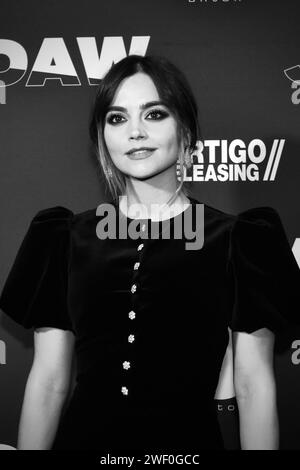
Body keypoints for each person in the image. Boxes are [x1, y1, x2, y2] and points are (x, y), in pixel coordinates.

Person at [0, 54, 300, 451]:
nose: (135, 132)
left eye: (155, 114)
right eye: (117, 118)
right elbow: (49, 380)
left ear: (186, 129)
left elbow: (253, 385)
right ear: (101, 137)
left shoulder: (239, 239)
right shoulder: (65, 237)